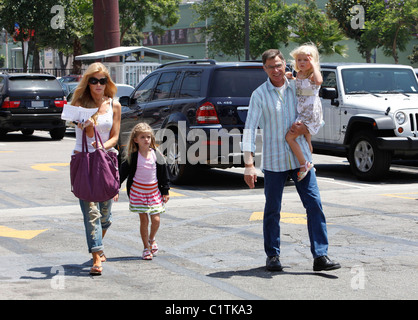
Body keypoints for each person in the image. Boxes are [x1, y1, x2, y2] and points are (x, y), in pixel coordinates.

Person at [242, 49, 340, 272]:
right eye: (271, 67)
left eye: (279, 65)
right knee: (272, 210)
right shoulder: (259, 95)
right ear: (264, 69)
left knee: (314, 204)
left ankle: (320, 256)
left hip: (300, 159)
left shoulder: (297, 86)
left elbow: (314, 110)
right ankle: (273, 256)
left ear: (285, 63)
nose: (276, 70)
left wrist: (307, 133)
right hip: (275, 160)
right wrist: (248, 165)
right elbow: (249, 129)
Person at [70, 62, 121, 275]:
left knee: (105, 215)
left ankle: (98, 244)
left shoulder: (114, 105)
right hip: (84, 160)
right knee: (91, 212)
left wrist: (102, 146)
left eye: (102, 80)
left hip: (106, 161)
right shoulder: (80, 104)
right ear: (87, 82)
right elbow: (86, 135)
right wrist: (86, 126)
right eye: (94, 80)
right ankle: (96, 256)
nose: (98, 85)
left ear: (107, 82)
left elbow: (115, 137)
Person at [119, 123, 170, 260]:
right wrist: (114, 189)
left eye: (148, 137)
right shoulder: (133, 156)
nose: (146, 140)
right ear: (136, 139)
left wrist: (165, 190)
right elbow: (122, 174)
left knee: (156, 220)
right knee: (144, 220)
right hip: (138, 192)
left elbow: (163, 174)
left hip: (154, 192)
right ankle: (146, 248)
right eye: (142, 137)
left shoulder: (156, 154)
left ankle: (152, 239)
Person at [285, 43, 323, 181]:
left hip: (310, 113)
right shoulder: (299, 74)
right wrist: (291, 78)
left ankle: (304, 164)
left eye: (305, 60)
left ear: (312, 61)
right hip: (302, 110)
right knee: (307, 142)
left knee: (290, 137)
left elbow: (318, 82)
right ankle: (309, 161)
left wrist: (314, 67)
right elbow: (301, 89)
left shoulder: (313, 75)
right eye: (299, 60)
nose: (301, 63)